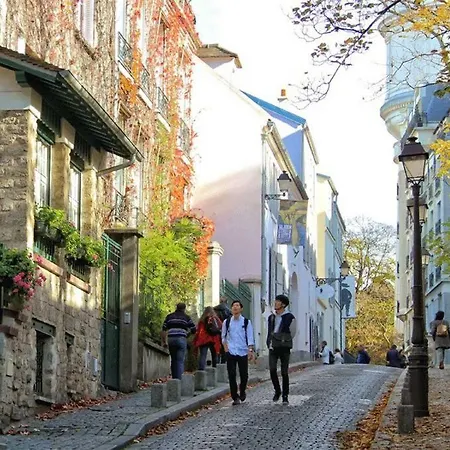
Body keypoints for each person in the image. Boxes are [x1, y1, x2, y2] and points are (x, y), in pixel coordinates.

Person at [221, 300, 255, 405]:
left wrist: (250, 350)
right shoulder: (226, 322)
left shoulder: (246, 322)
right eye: (233, 306)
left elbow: (250, 337)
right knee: (231, 374)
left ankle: (242, 390)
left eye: (237, 305)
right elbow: (223, 337)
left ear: (241, 309)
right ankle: (235, 396)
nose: (235, 307)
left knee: (244, 375)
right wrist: (226, 350)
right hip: (231, 351)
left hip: (242, 351)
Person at [267, 294, 296, 405]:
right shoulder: (271, 317)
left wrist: (284, 339)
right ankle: (277, 390)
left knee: (284, 372)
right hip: (273, 346)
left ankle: (285, 395)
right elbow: (269, 331)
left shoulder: (289, 317)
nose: (275, 303)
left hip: (284, 347)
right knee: (272, 369)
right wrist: (268, 342)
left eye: (277, 301)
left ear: (283, 304)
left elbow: (293, 331)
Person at [161, 303, 196, 379]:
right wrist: (187, 334)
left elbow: (164, 329)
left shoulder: (169, 316)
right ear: (184, 308)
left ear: (176, 307)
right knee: (180, 361)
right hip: (181, 339)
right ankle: (179, 380)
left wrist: (164, 341)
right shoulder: (186, 317)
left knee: (173, 360)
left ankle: (174, 380)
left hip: (171, 339)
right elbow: (194, 329)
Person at [214, 297, 232, 363]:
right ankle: (223, 362)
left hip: (216, 330)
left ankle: (216, 361)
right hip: (225, 330)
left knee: (216, 346)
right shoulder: (229, 311)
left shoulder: (214, 310)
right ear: (226, 302)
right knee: (224, 346)